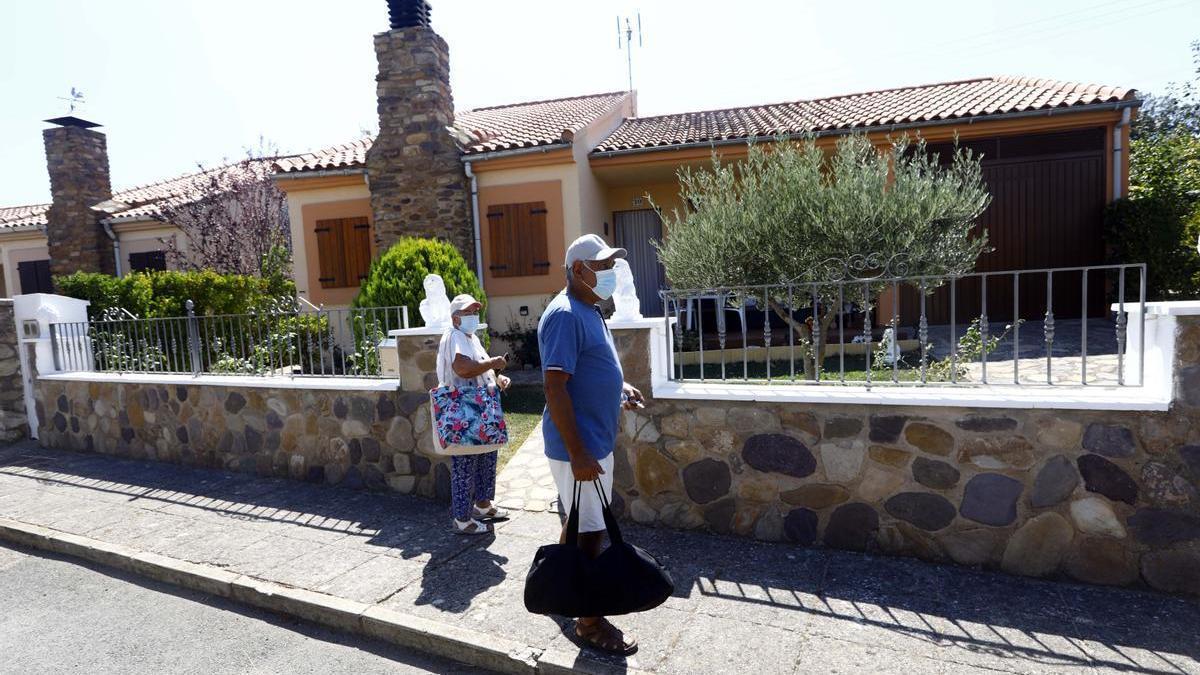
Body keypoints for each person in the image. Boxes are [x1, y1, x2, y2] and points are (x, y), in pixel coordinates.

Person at [537, 234, 645, 655]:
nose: (609, 274)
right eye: (601, 267)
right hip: (578, 448)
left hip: (592, 442)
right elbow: (554, 386)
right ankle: (588, 620)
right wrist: (579, 453)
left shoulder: (590, 310)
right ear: (577, 270)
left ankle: (557, 587)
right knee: (592, 530)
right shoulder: (564, 314)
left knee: (581, 520)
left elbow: (589, 372)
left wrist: (620, 389)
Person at [438, 293, 512, 535]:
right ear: (455, 318)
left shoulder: (470, 338)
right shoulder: (455, 337)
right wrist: (492, 363)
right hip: (464, 412)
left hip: (479, 410)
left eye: (474, 311)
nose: (473, 316)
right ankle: (462, 520)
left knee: (486, 457)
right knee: (465, 464)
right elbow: (462, 368)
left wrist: (497, 378)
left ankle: (482, 505)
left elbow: (479, 369)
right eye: (467, 312)